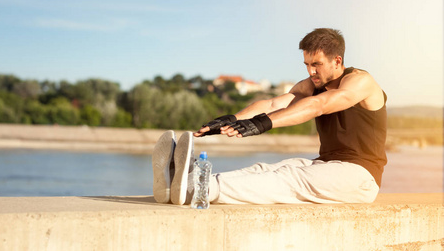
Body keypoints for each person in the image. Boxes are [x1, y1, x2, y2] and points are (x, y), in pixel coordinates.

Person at [153, 28, 387, 205]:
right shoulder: (311, 84)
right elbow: (275, 102)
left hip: (360, 177)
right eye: (306, 64)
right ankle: (185, 183)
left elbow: (319, 105)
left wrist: (262, 124)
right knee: (264, 169)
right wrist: (232, 119)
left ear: (337, 60)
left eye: (317, 64)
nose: (310, 71)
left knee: (288, 178)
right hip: (326, 165)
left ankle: (199, 189)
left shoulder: (359, 81)